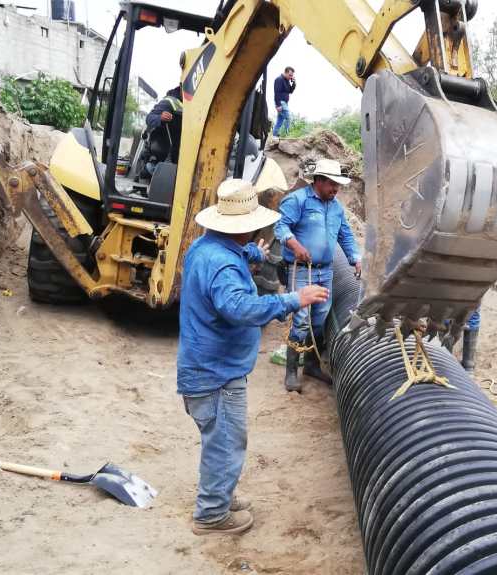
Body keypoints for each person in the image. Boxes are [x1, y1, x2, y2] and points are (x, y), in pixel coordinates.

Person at [177, 178, 329, 536]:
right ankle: (212, 515)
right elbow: (240, 308)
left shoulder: (205, 248)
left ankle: (220, 497)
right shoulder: (223, 266)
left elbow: (228, 265)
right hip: (215, 374)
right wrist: (294, 299)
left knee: (224, 440)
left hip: (208, 367)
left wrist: (252, 255)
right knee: (226, 444)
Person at [274, 159, 361, 393]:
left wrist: (355, 258)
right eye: (333, 184)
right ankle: (291, 371)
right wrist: (294, 245)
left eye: (338, 186)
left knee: (320, 319)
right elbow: (280, 227)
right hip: (302, 270)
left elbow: (346, 235)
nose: (336, 190)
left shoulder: (336, 207)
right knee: (301, 320)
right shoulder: (297, 200)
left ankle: (311, 364)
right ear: (319, 181)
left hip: (325, 270)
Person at [142, 86, 183, 177]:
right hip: (170, 151)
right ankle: (152, 169)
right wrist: (160, 117)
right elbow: (150, 118)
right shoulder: (170, 101)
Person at [272, 66, 296, 137]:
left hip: (285, 103)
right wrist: (278, 105)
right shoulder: (279, 79)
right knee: (288, 118)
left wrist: (293, 83)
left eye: (292, 75)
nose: (291, 77)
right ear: (285, 72)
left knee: (280, 120)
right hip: (281, 102)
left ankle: (274, 135)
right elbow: (276, 93)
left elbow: (290, 91)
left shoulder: (287, 80)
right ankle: (286, 135)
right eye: (290, 75)